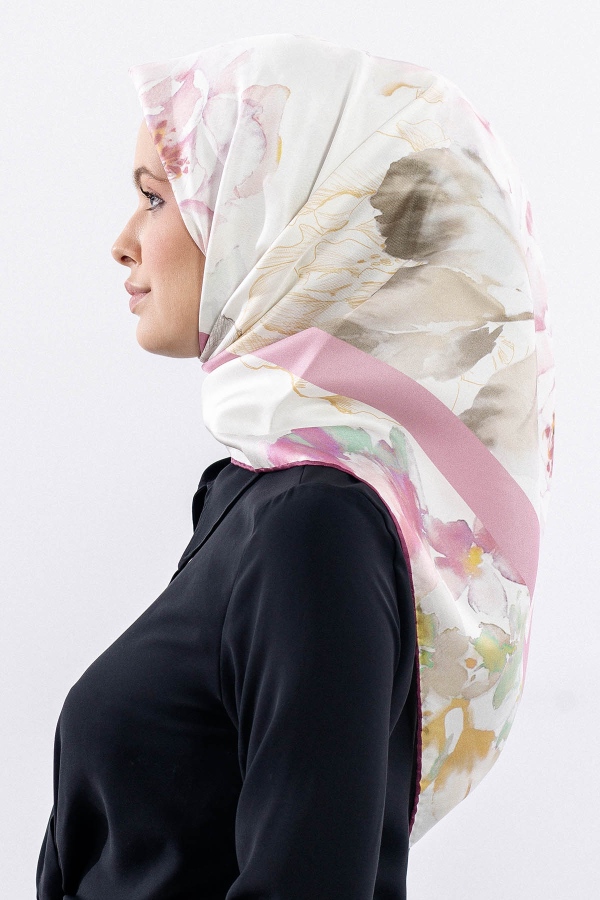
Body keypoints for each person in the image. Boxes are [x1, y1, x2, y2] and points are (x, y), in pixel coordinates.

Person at [36, 33, 555, 899]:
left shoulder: (315, 527)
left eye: (157, 198)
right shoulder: (250, 497)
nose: (123, 242)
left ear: (280, 224)